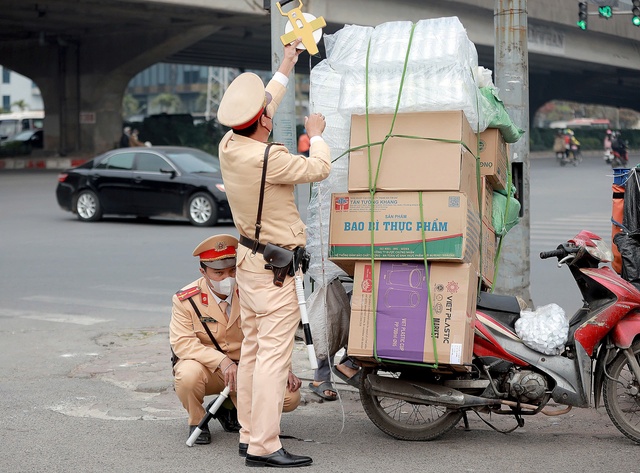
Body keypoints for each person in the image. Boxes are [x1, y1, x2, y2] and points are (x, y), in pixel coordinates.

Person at [217, 38, 331, 468]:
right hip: (276, 269)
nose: (271, 111)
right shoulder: (272, 158)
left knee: (251, 350)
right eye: (269, 113)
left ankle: (249, 434)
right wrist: (315, 136)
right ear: (263, 123)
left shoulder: (231, 145)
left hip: (250, 262)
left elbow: (262, 102)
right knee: (271, 358)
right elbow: (319, 168)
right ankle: (265, 446)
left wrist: (287, 61)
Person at [170, 234, 303, 446]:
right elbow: (182, 343)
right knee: (187, 375)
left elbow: (269, 332)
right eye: (218, 273)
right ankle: (197, 421)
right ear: (203, 272)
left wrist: (282, 366)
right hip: (211, 369)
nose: (227, 278)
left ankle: (228, 407)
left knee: (289, 397)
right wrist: (222, 361)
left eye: (232, 270)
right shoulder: (187, 299)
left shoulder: (251, 291)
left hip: (247, 368)